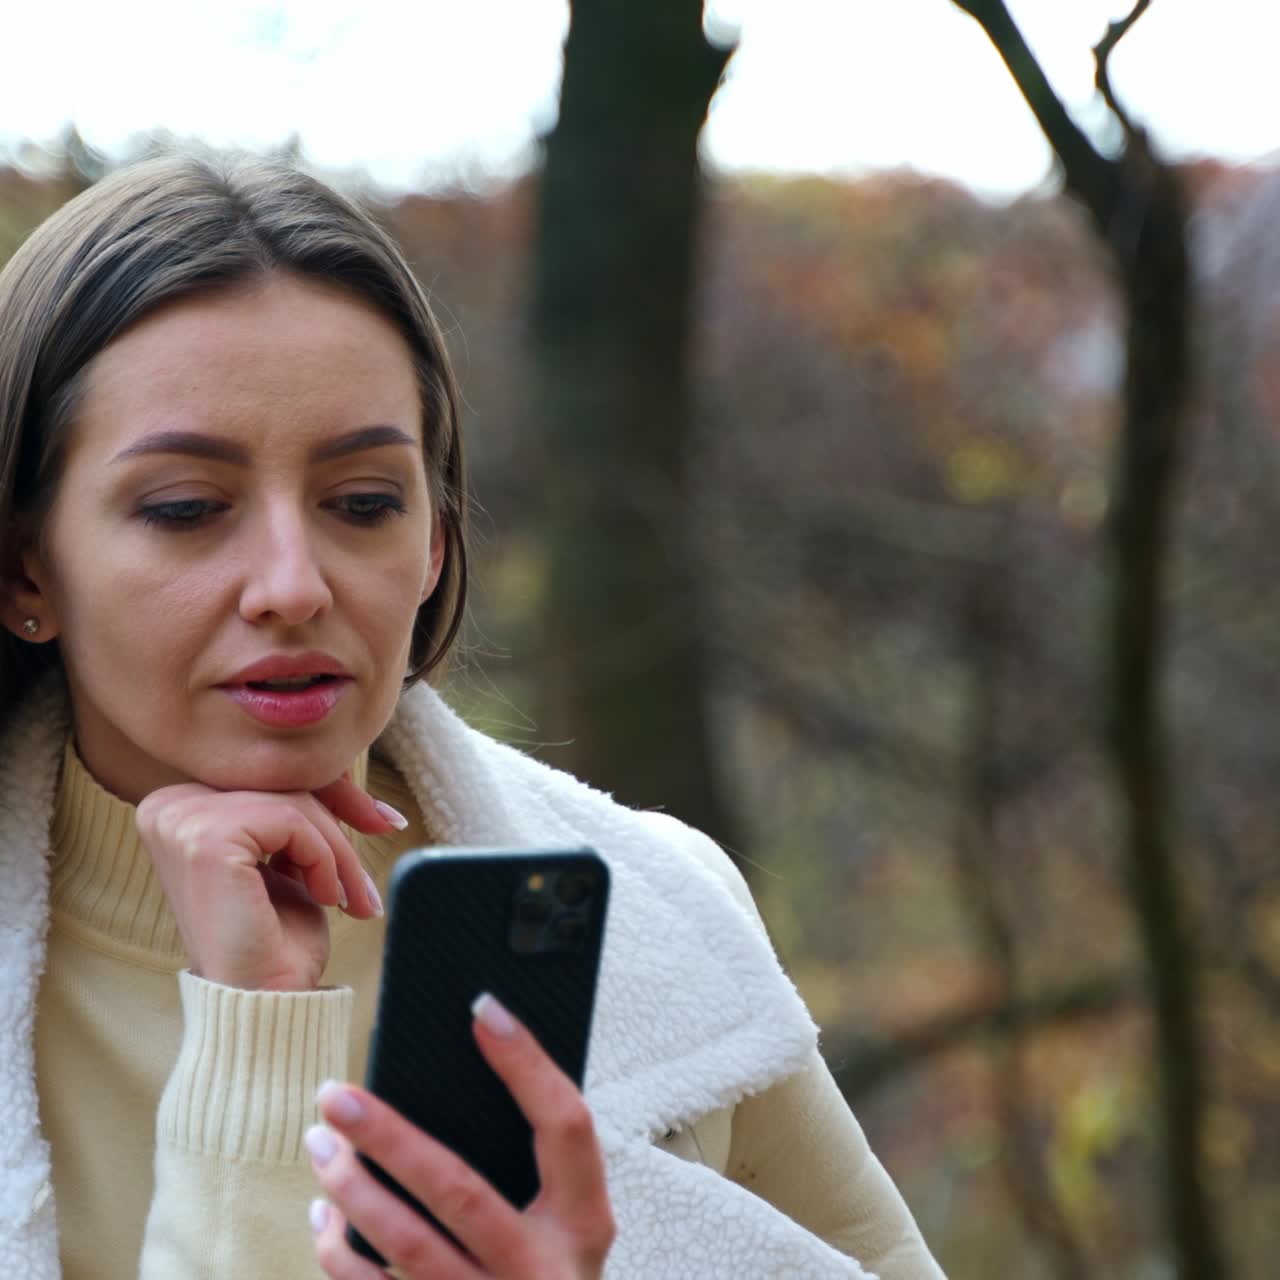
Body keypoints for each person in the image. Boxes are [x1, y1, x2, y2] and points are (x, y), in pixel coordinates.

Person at [0, 152, 946, 1280]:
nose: (293, 583)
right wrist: (253, 1030)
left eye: (363, 502)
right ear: (26, 569)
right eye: (187, 508)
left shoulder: (653, 915)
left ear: (436, 540)